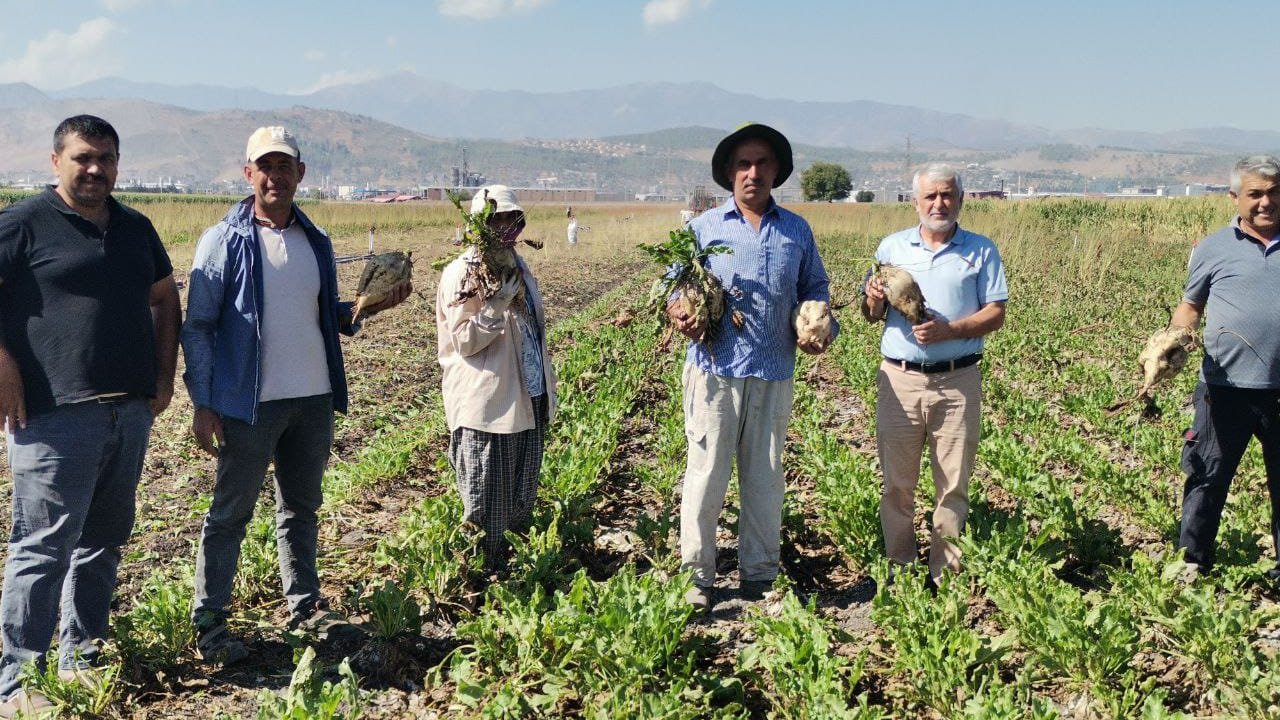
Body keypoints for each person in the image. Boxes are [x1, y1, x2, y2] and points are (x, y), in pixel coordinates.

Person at [181, 126, 409, 666]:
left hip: (312, 398)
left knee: (301, 508)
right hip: (248, 403)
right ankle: (210, 621)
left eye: (284, 166)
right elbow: (200, 326)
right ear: (248, 174)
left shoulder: (316, 241)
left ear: (300, 173)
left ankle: (305, 607)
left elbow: (326, 317)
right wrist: (204, 401)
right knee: (230, 513)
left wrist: (367, 306)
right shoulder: (224, 240)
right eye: (264, 166)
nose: (274, 176)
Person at [0, 115, 180, 715]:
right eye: (83, 158)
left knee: (103, 542)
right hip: (53, 415)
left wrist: (163, 373)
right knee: (43, 546)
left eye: (106, 158)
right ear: (56, 161)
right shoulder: (24, 224)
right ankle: (20, 679)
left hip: (126, 413)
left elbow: (163, 297)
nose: (96, 169)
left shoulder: (135, 228)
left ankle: (84, 657)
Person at [668, 123, 836, 612]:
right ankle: (695, 578)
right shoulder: (702, 229)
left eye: (763, 163)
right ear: (728, 173)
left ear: (777, 172)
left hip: (773, 370)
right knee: (706, 473)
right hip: (715, 370)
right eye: (743, 164)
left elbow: (816, 289)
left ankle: (760, 575)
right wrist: (680, 309)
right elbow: (673, 287)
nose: (753, 172)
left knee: (764, 477)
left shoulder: (796, 230)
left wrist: (819, 326)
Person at [862, 163, 1007, 587]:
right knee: (896, 485)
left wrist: (950, 330)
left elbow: (996, 313)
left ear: (960, 200)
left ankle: (945, 576)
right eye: (930, 196)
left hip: (957, 381)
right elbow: (871, 316)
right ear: (915, 202)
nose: (938, 203)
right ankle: (901, 570)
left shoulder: (981, 250)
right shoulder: (891, 248)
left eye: (946, 195)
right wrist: (872, 298)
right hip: (900, 381)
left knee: (953, 486)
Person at [436, 185, 556, 571]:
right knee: (486, 505)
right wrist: (495, 306)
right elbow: (463, 340)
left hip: (527, 399)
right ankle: (479, 584)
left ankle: (512, 578)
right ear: (478, 224)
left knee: (521, 499)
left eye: (511, 218)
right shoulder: (463, 272)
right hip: (487, 408)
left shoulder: (520, 267)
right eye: (495, 218)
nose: (504, 226)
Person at [1174, 155, 1280, 580]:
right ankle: (1191, 565)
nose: (1266, 202)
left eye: (1274, 193)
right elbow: (1190, 307)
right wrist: (1176, 340)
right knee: (1207, 478)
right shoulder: (1212, 248)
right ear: (1235, 198)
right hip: (1224, 388)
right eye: (1255, 194)